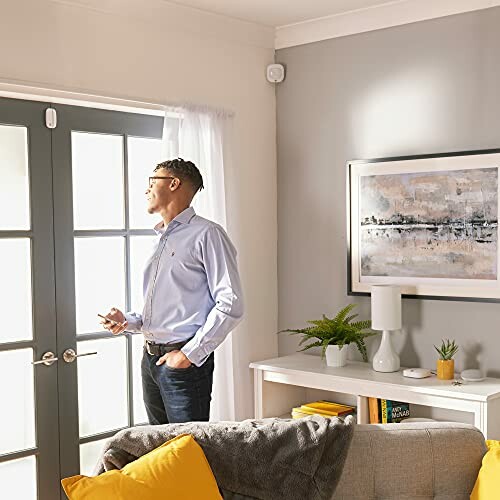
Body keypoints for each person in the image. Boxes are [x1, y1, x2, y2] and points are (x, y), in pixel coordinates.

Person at [100, 158, 244, 424]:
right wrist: (127, 321)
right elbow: (164, 307)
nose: (146, 189)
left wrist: (188, 355)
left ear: (174, 183)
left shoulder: (207, 234)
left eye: (152, 181)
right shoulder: (159, 239)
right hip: (151, 361)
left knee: (189, 451)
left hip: (183, 365)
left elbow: (231, 302)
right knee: (160, 452)